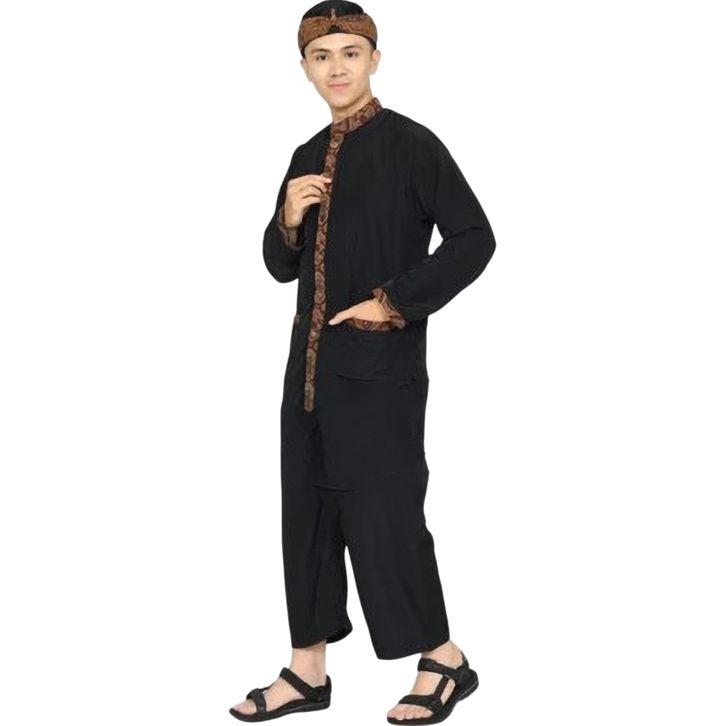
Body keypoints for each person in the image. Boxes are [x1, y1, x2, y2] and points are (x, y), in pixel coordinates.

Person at [230, 2, 496, 723]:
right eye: (322, 56)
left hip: (380, 372)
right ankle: (307, 670)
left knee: (385, 513)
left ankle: (444, 658)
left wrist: (393, 302)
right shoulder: (305, 155)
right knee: (308, 513)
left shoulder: (412, 145)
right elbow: (279, 267)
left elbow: (474, 238)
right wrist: (287, 219)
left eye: (351, 52)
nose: (337, 68)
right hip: (308, 373)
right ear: (305, 68)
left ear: (375, 59)